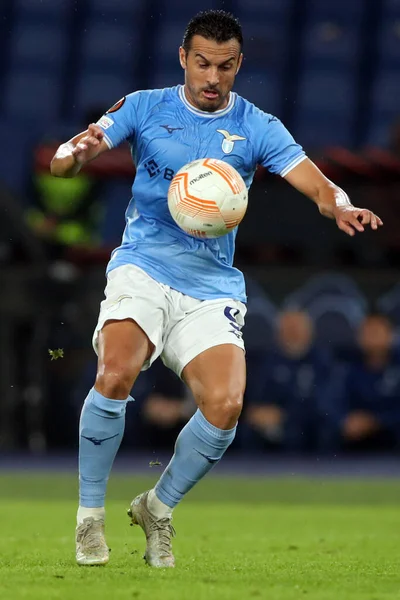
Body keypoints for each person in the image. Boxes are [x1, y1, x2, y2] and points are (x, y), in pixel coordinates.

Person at [50, 10, 383, 568]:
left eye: (224, 67)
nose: (211, 77)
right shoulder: (145, 105)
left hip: (211, 285)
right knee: (114, 372)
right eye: (201, 63)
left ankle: (158, 506)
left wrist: (342, 204)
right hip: (143, 267)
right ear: (183, 58)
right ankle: (89, 520)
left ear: (238, 66)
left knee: (226, 407)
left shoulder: (258, 127)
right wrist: (74, 154)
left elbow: (316, 184)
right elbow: (69, 159)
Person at [242, 310, 333, 453]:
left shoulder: (322, 362)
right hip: (268, 427)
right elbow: (255, 398)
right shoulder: (267, 362)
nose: (293, 334)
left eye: (297, 328)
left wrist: (284, 415)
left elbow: (324, 405)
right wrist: (257, 412)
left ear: (309, 332)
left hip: (304, 426)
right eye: (288, 329)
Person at [320, 314, 400, 452]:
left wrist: (375, 421)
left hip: (390, 431)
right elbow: (330, 400)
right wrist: (344, 420)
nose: (371, 337)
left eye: (376, 331)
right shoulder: (346, 365)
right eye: (367, 332)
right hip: (353, 433)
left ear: (390, 334)